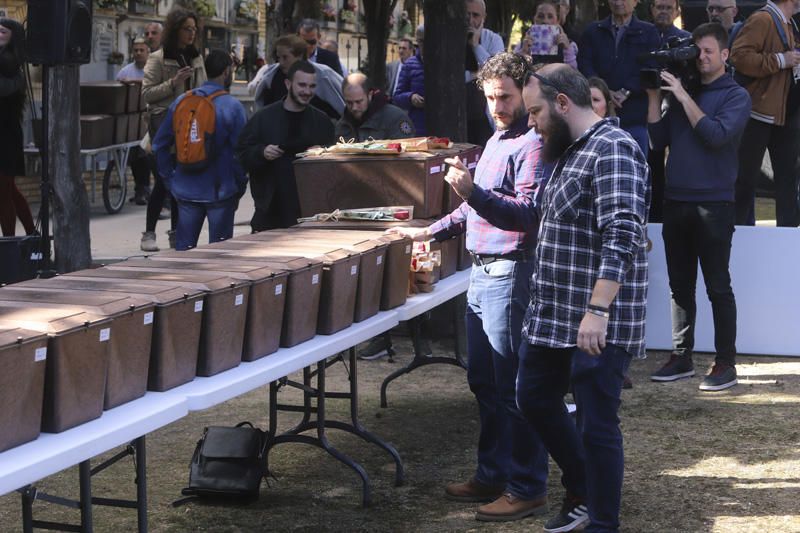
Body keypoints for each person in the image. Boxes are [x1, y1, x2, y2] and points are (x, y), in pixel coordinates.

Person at [390, 52, 549, 523]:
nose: (497, 106)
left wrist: (471, 191)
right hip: (481, 274)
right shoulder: (497, 138)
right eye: (490, 98)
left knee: (514, 388)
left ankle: (527, 486)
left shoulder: (533, 145)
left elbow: (525, 215)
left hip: (510, 274)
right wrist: (428, 232)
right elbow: (471, 211)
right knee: (484, 382)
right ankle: (493, 473)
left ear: (524, 94)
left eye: (505, 97)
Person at [517, 63, 649, 532]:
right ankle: (584, 486)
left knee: (597, 425)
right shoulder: (567, 151)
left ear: (562, 103)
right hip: (554, 316)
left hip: (597, 320)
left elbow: (623, 236)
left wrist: (598, 310)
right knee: (532, 397)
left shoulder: (614, 148)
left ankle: (602, 521)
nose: (529, 121)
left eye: (534, 111)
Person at [647, 23, 750, 391]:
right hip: (676, 200)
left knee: (718, 286)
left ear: (724, 55)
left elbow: (715, 136)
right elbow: (657, 141)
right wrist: (653, 94)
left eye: (708, 51)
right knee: (680, 286)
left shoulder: (736, 96)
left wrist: (682, 96)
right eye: (697, 50)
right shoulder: (680, 92)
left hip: (714, 204)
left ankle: (726, 363)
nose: (701, 57)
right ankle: (681, 356)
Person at [152, 50, 247, 251]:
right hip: (220, 190)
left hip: (185, 189)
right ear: (226, 71)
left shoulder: (182, 102)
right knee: (219, 256)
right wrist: (239, 186)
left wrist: (170, 179)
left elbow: (159, 144)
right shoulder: (232, 107)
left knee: (185, 255)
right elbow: (240, 153)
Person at [237, 61, 335, 232]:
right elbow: (241, 155)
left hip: (310, 212)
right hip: (269, 212)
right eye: (302, 85)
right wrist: (262, 152)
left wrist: (323, 152)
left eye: (312, 86)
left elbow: (336, 161)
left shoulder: (322, 121)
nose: (307, 91)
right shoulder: (263, 118)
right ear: (288, 84)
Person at [141, 7, 207, 252]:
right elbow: (146, 93)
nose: (191, 34)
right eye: (187, 29)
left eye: (194, 29)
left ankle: (177, 233)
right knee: (162, 180)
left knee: (182, 181)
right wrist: (173, 82)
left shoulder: (196, 57)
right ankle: (149, 233)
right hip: (165, 128)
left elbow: (202, 88)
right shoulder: (159, 58)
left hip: (190, 128)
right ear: (176, 30)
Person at [730, 0, 800, 227]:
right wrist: (781, 60)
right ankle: (736, 238)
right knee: (745, 180)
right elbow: (738, 56)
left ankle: (788, 241)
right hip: (758, 113)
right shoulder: (763, 19)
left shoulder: (789, 23)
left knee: (787, 184)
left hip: (785, 115)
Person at [577, 0, 660, 156]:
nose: (618, 2)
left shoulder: (649, 32)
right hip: (596, 118)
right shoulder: (593, 31)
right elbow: (584, 64)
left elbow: (651, 66)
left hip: (634, 116)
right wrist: (604, 91)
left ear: (636, 2)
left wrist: (626, 91)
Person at [648, 0, 690, 223]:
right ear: (651, 9)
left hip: (678, 110)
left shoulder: (686, 40)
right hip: (648, 108)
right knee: (652, 169)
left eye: (668, 7)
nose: (663, 11)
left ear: (676, 11)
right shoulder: (643, 36)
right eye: (658, 7)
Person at [0, 18, 36, 237]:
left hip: (5, 136)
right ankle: (32, 234)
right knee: (9, 191)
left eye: (2, 32)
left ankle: (9, 244)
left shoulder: (15, 70)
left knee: (3, 193)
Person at [253, 34, 344, 120]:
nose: (281, 62)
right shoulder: (273, 76)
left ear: (299, 56)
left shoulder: (323, 74)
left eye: (285, 57)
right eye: (278, 57)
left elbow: (340, 102)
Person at [117, 38, 153, 206]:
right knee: (132, 155)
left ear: (148, 52)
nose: (138, 53)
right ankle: (141, 188)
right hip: (131, 121)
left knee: (144, 154)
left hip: (149, 118)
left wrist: (134, 83)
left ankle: (146, 188)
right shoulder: (125, 72)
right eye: (136, 50)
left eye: (141, 50)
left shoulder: (152, 70)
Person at [335, 73, 415, 141]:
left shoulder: (395, 119)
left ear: (370, 95)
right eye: (349, 103)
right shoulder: (343, 125)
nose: (354, 108)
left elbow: (406, 152)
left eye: (358, 102)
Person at [394, 25, 427, 135]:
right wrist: (411, 97)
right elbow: (397, 96)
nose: (424, 45)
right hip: (418, 125)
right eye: (421, 41)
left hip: (441, 123)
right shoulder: (409, 65)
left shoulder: (443, 63)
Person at [529, 0, 578, 68]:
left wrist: (567, 49)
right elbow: (515, 72)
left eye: (550, 17)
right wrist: (523, 52)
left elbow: (573, 74)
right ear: (534, 18)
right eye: (540, 16)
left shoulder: (570, 45)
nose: (545, 21)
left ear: (558, 20)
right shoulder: (523, 44)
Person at [465, 0, 506, 77]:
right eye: (467, 14)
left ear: (484, 17)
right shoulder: (450, 38)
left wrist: (476, 46)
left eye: (475, 15)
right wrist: (474, 75)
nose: (470, 20)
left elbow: (497, 71)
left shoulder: (494, 39)